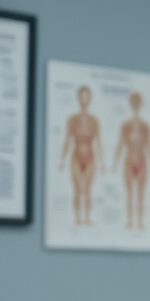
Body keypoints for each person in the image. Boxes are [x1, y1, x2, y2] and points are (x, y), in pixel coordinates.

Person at [57, 85, 104, 225]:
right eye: (82, 96)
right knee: (77, 190)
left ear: (89, 99)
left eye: (86, 96)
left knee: (88, 190)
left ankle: (87, 218)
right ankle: (78, 218)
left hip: (90, 155)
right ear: (78, 98)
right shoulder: (73, 119)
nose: (84, 99)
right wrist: (62, 160)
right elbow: (67, 140)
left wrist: (102, 162)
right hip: (76, 155)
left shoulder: (94, 120)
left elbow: (98, 142)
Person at [111, 91, 150, 230]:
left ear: (141, 104)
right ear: (131, 104)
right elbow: (120, 144)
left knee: (141, 194)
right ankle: (130, 221)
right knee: (130, 193)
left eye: (138, 102)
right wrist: (115, 162)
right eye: (134, 102)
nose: (136, 105)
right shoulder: (125, 125)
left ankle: (140, 221)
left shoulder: (145, 125)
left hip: (142, 159)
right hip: (129, 158)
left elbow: (149, 146)